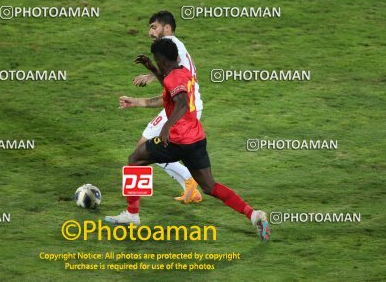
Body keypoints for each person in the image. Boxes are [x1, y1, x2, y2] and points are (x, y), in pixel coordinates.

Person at [105, 38, 270, 240]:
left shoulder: (173, 79)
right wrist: (154, 71)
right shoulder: (183, 72)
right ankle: (253, 214)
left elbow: (181, 103)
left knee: (135, 159)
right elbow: (170, 88)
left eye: (157, 61)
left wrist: (166, 127)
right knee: (210, 186)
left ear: (162, 60)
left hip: (176, 142)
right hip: (196, 141)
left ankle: (132, 214)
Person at [127, 10, 203, 204]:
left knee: (144, 150)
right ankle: (190, 187)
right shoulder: (175, 49)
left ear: (166, 28)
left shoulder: (174, 45)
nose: (150, 33)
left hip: (184, 108)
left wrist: (152, 74)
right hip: (184, 104)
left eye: (154, 27)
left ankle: (134, 209)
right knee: (145, 149)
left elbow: (175, 73)